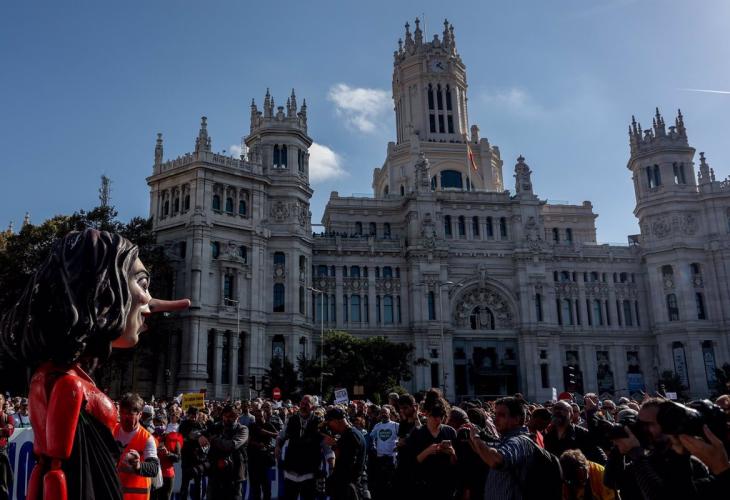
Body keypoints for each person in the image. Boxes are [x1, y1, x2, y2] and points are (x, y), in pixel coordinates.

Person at [0, 229, 189, 500]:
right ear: (103, 290)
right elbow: (56, 470)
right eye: (143, 284)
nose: (149, 301)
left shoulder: (52, 374)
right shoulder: (68, 382)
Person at [468, 396, 539, 500]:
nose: (495, 419)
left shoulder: (519, 441)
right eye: (495, 414)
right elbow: (486, 452)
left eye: (501, 415)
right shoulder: (506, 439)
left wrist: (476, 437)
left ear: (516, 419)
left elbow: (496, 461)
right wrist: (470, 436)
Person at [401, 390, 458, 499]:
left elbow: (456, 464)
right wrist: (428, 451)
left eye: (441, 416)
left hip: (445, 486)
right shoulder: (417, 433)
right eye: (435, 416)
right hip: (423, 486)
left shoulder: (450, 432)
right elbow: (410, 464)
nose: (438, 420)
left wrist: (452, 453)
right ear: (426, 413)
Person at [113, 393, 160, 500]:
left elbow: (154, 468)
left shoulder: (147, 438)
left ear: (140, 414)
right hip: (113, 493)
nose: (125, 417)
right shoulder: (112, 430)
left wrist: (139, 466)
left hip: (136, 496)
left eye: (130, 414)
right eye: (122, 412)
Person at [278, 395, 324, 500]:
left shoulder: (319, 422)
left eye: (306, 404)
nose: (303, 406)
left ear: (313, 407)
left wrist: (330, 459)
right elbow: (281, 435)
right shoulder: (291, 419)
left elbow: (325, 442)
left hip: (309, 470)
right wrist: (277, 445)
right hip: (292, 469)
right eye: (302, 404)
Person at [203, 405, 248, 500]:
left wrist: (214, 439)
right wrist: (200, 437)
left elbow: (231, 445)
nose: (227, 419)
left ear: (237, 416)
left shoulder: (242, 429)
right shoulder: (216, 427)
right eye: (225, 416)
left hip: (234, 475)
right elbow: (201, 434)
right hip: (215, 474)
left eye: (231, 416)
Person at [323, 408, 369, 500]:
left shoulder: (351, 436)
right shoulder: (352, 433)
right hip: (347, 485)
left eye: (329, 423)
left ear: (336, 421)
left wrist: (334, 446)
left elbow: (347, 464)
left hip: (347, 488)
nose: (329, 426)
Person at [545, 401, 607, 465]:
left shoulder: (582, 434)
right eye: (555, 408)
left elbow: (601, 457)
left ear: (571, 415)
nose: (558, 411)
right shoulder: (548, 436)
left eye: (562, 409)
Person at [368, 406, 398, 500]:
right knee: (381, 481)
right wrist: (373, 446)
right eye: (382, 413)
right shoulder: (377, 426)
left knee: (391, 481)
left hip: (392, 458)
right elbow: (371, 437)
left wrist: (398, 446)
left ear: (389, 414)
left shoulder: (395, 425)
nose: (383, 414)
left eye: (385, 412)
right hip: (380, 457)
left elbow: (402, 437)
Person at [248, 406, 278, 500]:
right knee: (255, 486)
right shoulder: (252, 426)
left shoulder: (269, 425)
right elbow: (248, 440)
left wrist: (267, 435)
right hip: (253, 458)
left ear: (264, 416)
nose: (258, 418)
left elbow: (277, 435)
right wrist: (258, 444)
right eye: (256, 416)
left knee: (266, 484)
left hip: (264, 459)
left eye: (260, 416)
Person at [178, 406, 207, 500]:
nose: (193, 417)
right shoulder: (183, 424)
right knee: (185, 483)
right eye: (191, 415)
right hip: (187, 457)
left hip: (198, 459)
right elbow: (184, 437)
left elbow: (205, 440)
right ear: (188, 415)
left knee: (198, 483)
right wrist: (194, 436)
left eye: (195, 415)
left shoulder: (201, 425)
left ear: (198, 415)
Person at [152, 413, 182, 500]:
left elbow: (178, 458)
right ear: (154, 423)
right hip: (154, 474)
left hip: (168, 475)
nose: (160, 425)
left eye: (162, 423)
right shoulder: (149, 436)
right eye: (157, 423)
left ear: (166, 424)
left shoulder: (173, 437)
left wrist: (168, 453)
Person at [0, 394, 14, 500]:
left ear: (3, 401)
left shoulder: (7, 417)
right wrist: (2, 430)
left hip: (1, 454)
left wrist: (3, 431)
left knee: (2, 486)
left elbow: (9, 432)